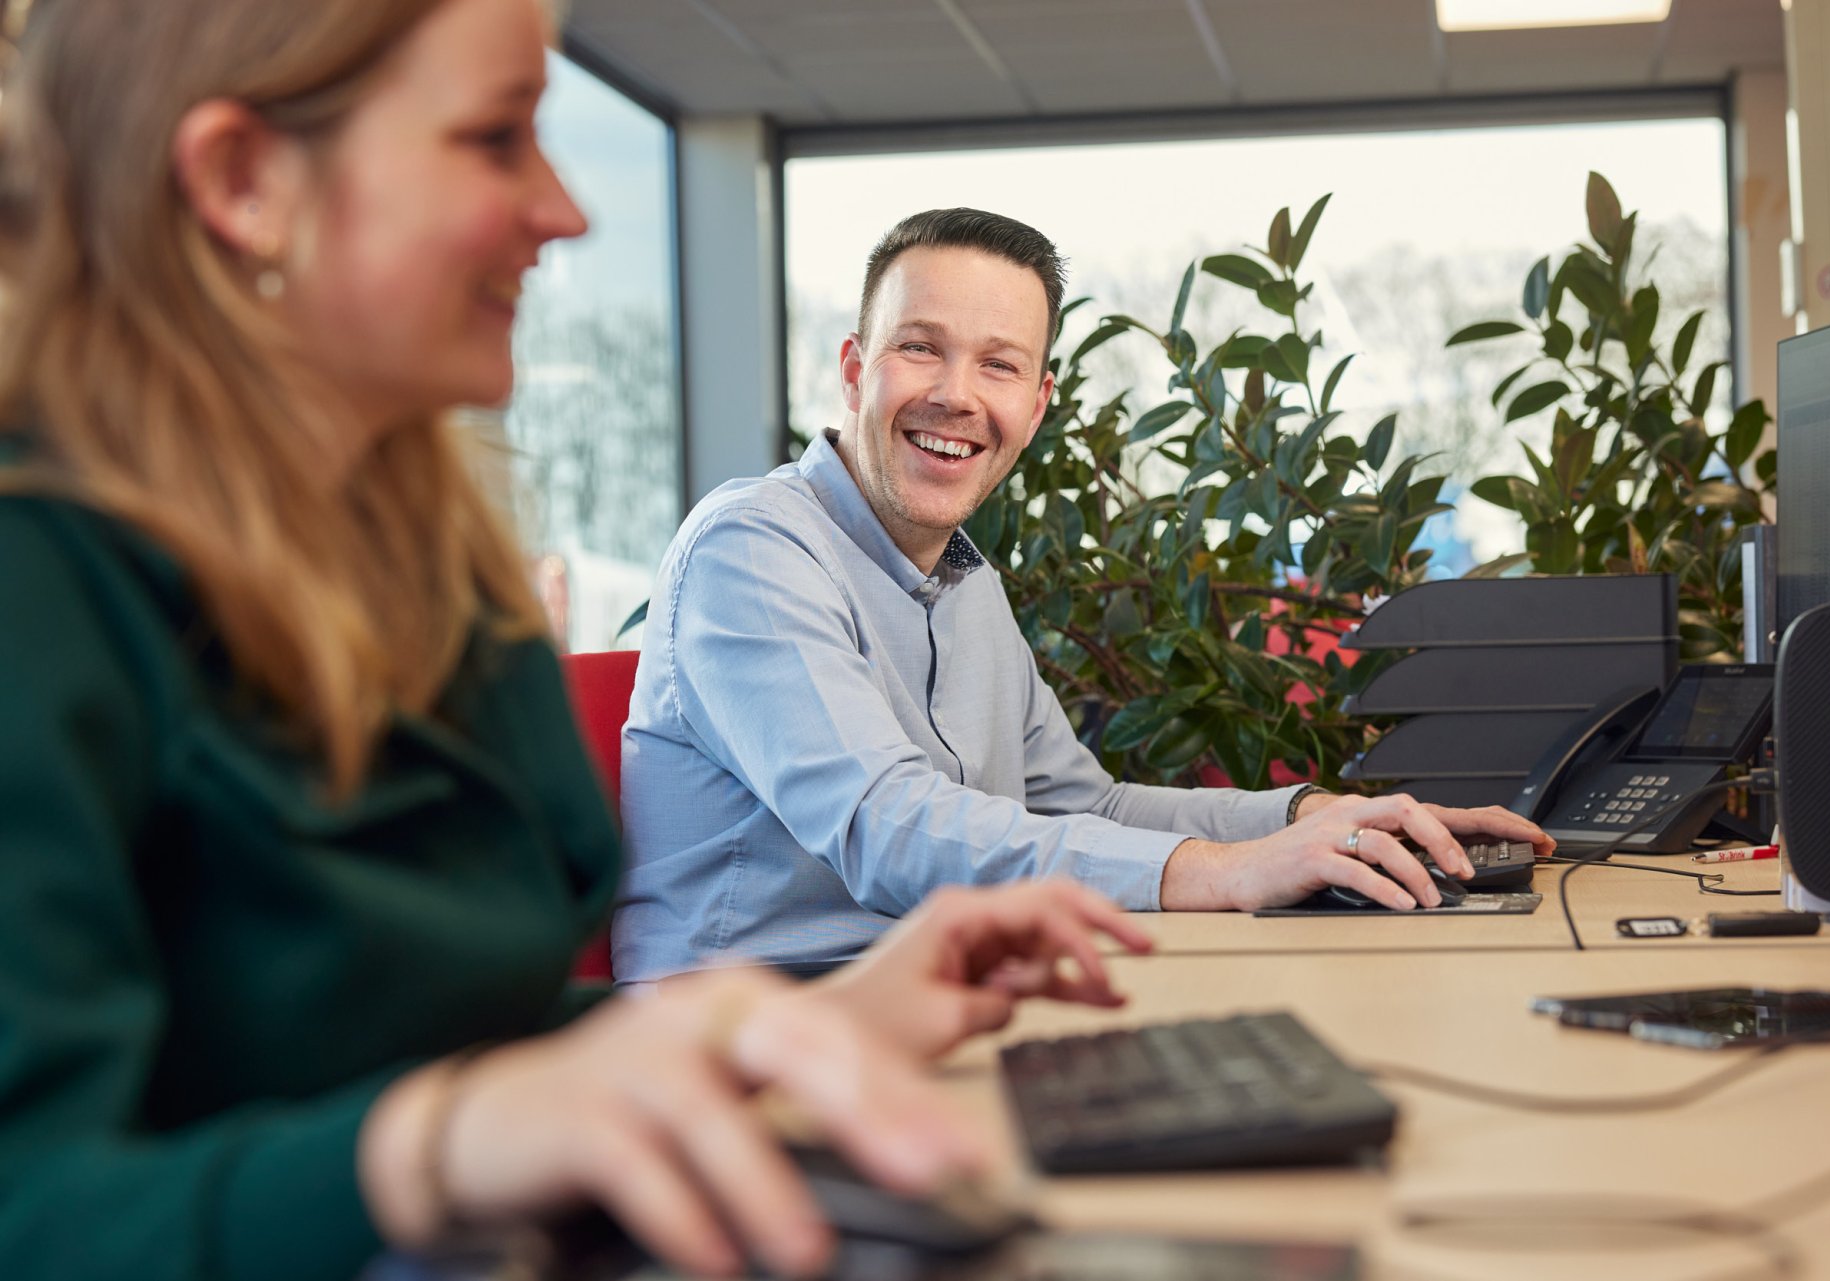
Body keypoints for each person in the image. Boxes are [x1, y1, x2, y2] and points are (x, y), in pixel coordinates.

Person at [0, 4, 1155, 1280]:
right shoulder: (44, 583)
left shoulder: (418, 571)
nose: (565, 210)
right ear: (243, 181)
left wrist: (785, 1027)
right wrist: (432, 1149)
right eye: (495, 139)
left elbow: (422, 1024)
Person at [616, 207, 1554, 983]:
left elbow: (1086, 811)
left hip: (928, 1005)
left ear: (1037, 403)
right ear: (857, 370)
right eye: (920, 348)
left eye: (999, 364)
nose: (956, 394)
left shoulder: (964, 585)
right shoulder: (754, 547)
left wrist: (1310, 821)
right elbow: (885, 825)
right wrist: (1220, 873)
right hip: (742, 1047)